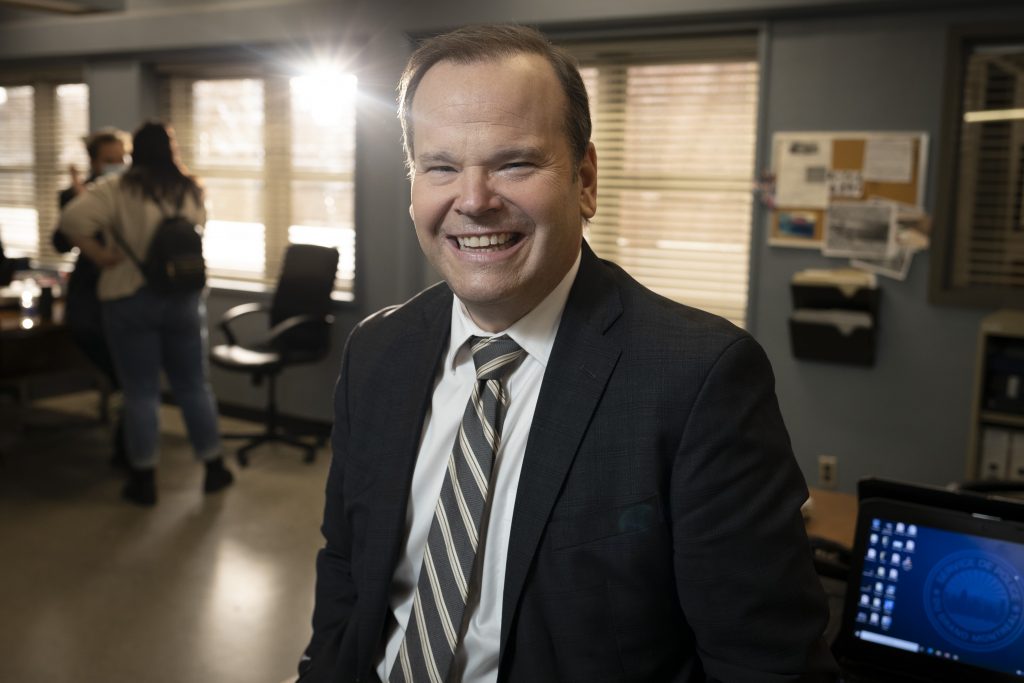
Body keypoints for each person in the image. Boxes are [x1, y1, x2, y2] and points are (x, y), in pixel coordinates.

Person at [300, 24, 838, 682]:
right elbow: (347, 568)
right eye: (441, 167)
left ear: (584, 179)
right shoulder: (377, 350)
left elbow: (767, 667)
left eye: (514, 163)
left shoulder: (700, 379)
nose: (473, 200)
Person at [59, 121, 232, 506]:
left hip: (129, 299)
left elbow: (71, 221)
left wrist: (101, 255)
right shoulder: (190, 188)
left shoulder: (117, 188)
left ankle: (144, 478)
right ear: (171, 150)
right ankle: (214, 466)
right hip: (183, 299)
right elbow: (199, 229)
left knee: (140, 392)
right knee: (194, 386)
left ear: (134, 152)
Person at [53, 128, 130, 468]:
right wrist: (78, 201)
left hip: (123, 284)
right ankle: (117, 389)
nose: (117, 165)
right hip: (89, 286)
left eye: (122, 159)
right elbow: (60, 242)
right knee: (88, 335)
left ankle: (127, 448)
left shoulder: (132, 193)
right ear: (94, 162)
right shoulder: (74, 194)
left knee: (130, 369)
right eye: (109, 160)